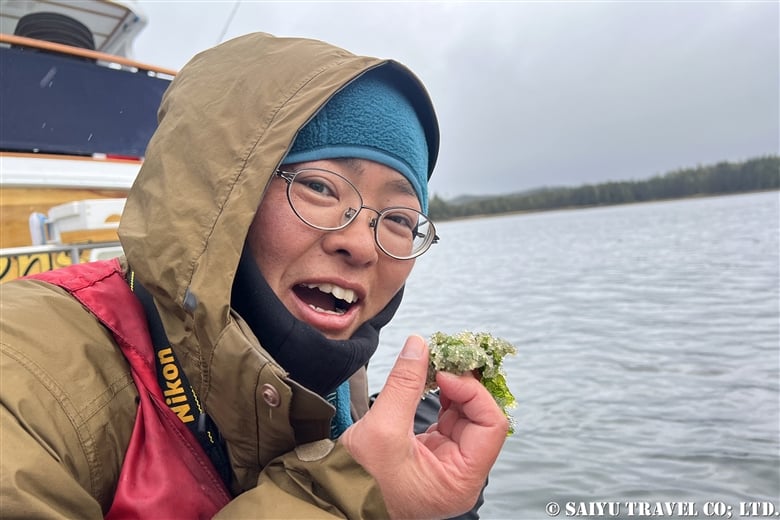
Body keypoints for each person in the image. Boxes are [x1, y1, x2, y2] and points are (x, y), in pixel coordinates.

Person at [0, 32, 508, 518]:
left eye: (398, 219)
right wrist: (353, 497)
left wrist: (426, 505)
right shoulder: (25, 372)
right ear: (217, 199)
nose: (358, 244)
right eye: (320, 188)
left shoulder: (332, 383)